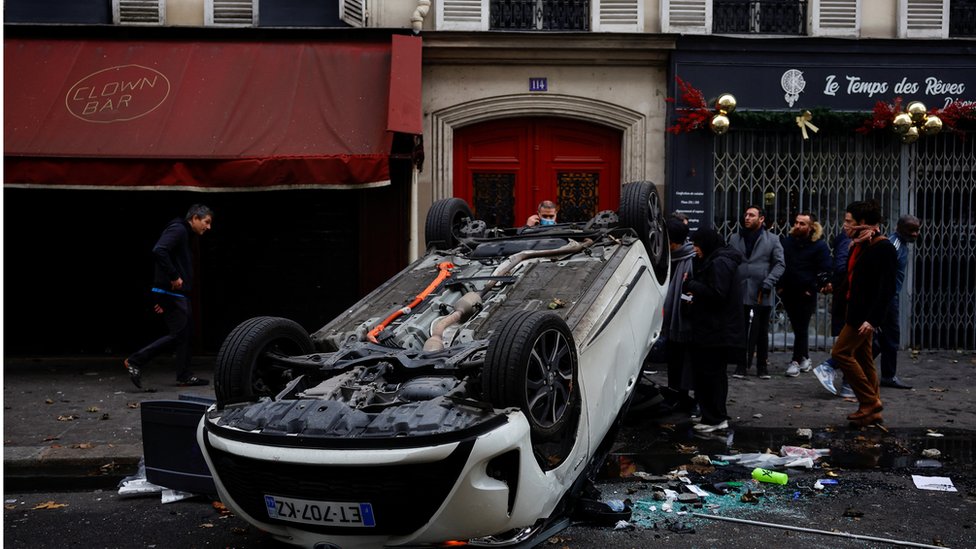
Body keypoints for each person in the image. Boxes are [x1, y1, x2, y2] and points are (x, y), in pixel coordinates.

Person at [125, 204, 214, 388]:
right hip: (171, 291)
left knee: (184, 334)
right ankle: (135, 360)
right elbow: (159, 250)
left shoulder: (185, 233)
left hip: (173, 293)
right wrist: (174, 276)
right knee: (179, 333)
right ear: (195, 218)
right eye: (206, 222)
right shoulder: (179, 229)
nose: (208, 227)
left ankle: (184, 375)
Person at [831, 200, 898, 426]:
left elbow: (887, 289)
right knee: (864, 358)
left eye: (849, 221)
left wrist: (873, 319)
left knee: (840, 352)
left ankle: (869, 401)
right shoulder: (860, 244)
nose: (844, 226)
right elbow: (853, 279)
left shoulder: (883, 247)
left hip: (864, 316)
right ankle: (872, 410)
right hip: (854, 310)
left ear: (862, 223)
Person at [682, 226, 745, 432]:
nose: (695, 249)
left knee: (712, 375)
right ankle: (710, 416)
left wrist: (691, 285)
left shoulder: (720, 263)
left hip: (716, 331)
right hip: (712, 329)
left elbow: (717, 294)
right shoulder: (716, 260)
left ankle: (715, 418)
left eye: (697, 244)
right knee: (708, 374)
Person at [728, 205, 785, 379]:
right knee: (741, 329)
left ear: (761, 219)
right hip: (740, 290)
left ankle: (762, 366)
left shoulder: (772, 239)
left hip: (762, 291)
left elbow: (780, 264)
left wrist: (769, 281)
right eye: (745, 214)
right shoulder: (735, 238)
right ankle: (741, 365)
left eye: (752, 215)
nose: (747, 218)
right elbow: (729, 260)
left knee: (760, 331)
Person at [812, 204, 859, 398]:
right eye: (845, 221)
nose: (844, 225)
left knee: (861, 343)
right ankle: (839, 375)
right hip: (849, 300)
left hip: (854, 299)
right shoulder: (847, 240)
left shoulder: (862, 241)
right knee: (852, 343)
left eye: (848, 221)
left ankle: (850, 383)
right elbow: (841, 266)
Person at [777, 212, 831, 377]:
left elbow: (825, 268)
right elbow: (780, 263)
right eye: (797, 222)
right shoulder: (787, 242)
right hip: (788, 291)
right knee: (798, 326)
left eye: (802, 224)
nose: (798, 226)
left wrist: (813, 287)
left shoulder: (819, 246)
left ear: (811, 227)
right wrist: (780, 287)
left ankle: (795, 361)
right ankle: (805, 358)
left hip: (806, 293)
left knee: (801, 327)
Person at [874, 214, 921, 389]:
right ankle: (845, 364)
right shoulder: (893, 245)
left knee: (883, 339)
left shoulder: (902, 244)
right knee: (889, 337)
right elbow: (881, 274)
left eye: (917, 230)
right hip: (886, 297)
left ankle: (885, 374)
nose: (915, 234)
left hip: (889, 296)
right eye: (911, 230)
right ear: (899, 228)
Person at [659, 217, 697, 414]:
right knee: (673, 360)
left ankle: (683, 396)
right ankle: (675, 395)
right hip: (671, 321)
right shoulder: (667, 258)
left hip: (684, 320)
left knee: (684, 362)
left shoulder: (690, 259)